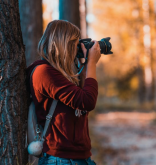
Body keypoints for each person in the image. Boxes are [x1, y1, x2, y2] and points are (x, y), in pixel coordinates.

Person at [26, 20, 101, 165]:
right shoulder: (44, 72)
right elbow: (87, 101)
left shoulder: (63, 74)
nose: (77, 47)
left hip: (80, 158)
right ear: (64, 43)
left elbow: (82, 102)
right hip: (60, 159)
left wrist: (84, 63)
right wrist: (91, 63)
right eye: (75, 42)